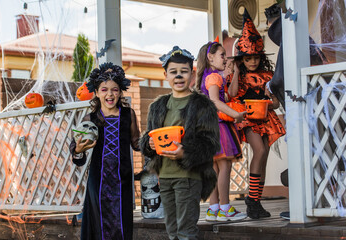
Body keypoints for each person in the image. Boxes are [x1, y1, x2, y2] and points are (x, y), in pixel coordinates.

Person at [139, 46, 220, 240]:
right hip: (165, 176)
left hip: (188, 176)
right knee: (172, 231)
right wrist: (148, 144)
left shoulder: (202, 105)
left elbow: (210, 143)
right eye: (173, 72)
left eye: (183, 72)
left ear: (191, 74)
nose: (178, 76)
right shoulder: (158, 106)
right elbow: (149, 137)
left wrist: (186, 152)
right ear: (165, 74)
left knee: (186, 231)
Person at [226, 9, 286, 219]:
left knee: (264, 158)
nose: (252, 62)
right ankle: (251, 200)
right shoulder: (240, 77)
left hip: (266, 118)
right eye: (248, 58)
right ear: (242, 59)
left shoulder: (268, 75)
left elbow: (277, 103)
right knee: (259, 151)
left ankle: (256, 202)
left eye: (255, 58)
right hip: (248, 119)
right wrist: (235, 71)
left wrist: (270, 101)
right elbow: (232, 94)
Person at [69, 62, 140, 240]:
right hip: (98, 182)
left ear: (120, 92)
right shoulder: (90, 118)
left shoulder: (128, 115)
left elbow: (136, 142)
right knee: (99, 226)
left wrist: (151, 143)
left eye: (115, 89)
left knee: (121, 225)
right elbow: (77, 153)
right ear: (97, 92)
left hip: (122, 180)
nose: (110, 94)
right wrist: (78, 149)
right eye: (104, 89)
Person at [195, 37, 247, 222]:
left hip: (208, 127)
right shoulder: (214, 77)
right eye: (222, 55)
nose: (225, 58)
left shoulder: (208, 77)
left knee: (215, 169)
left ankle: (213, 208)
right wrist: (236, 115)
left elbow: (230, 94)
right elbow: (216, 101)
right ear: (210, 57)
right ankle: (225, 208)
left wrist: (235, 72)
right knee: (224, 166)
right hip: (219, 126)